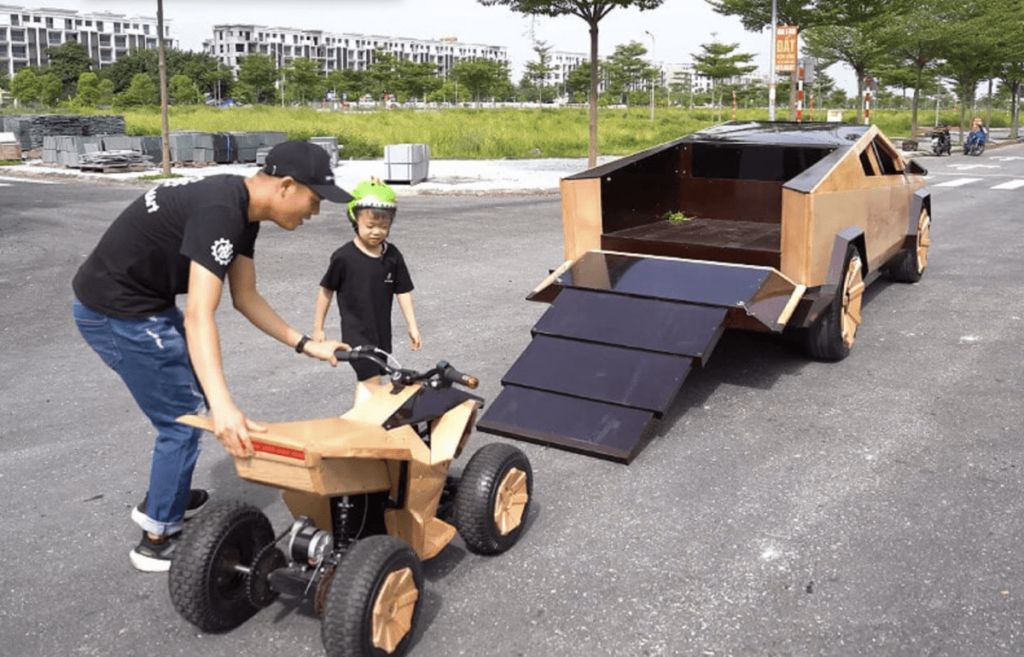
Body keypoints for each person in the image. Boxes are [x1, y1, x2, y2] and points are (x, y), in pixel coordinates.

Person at [72, 140, 351, 572]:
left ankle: (171, 494)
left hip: (141, 301)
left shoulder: (243, 211)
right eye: (314, 200)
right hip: (117, 311)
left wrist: (307, 344)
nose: (314, 212)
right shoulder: (221, 211)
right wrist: (224, 407)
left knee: (190, 401)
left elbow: (245, 296)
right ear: (287, 186)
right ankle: (156, 535)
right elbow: (200, 315)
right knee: (182, 420)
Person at [312, 178, 421, 403]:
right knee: (370, 381)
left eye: (383, 227)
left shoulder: (392, 256)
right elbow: (326, 290)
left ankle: (362, 425)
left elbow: (403, 291)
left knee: (375, 381)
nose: (376, 232)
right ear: (355, 219)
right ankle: (365, 428)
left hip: (381, 332)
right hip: (357, 334)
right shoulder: (344, 257)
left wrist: (412, 325)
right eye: (370, 226)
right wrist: (318, 328)